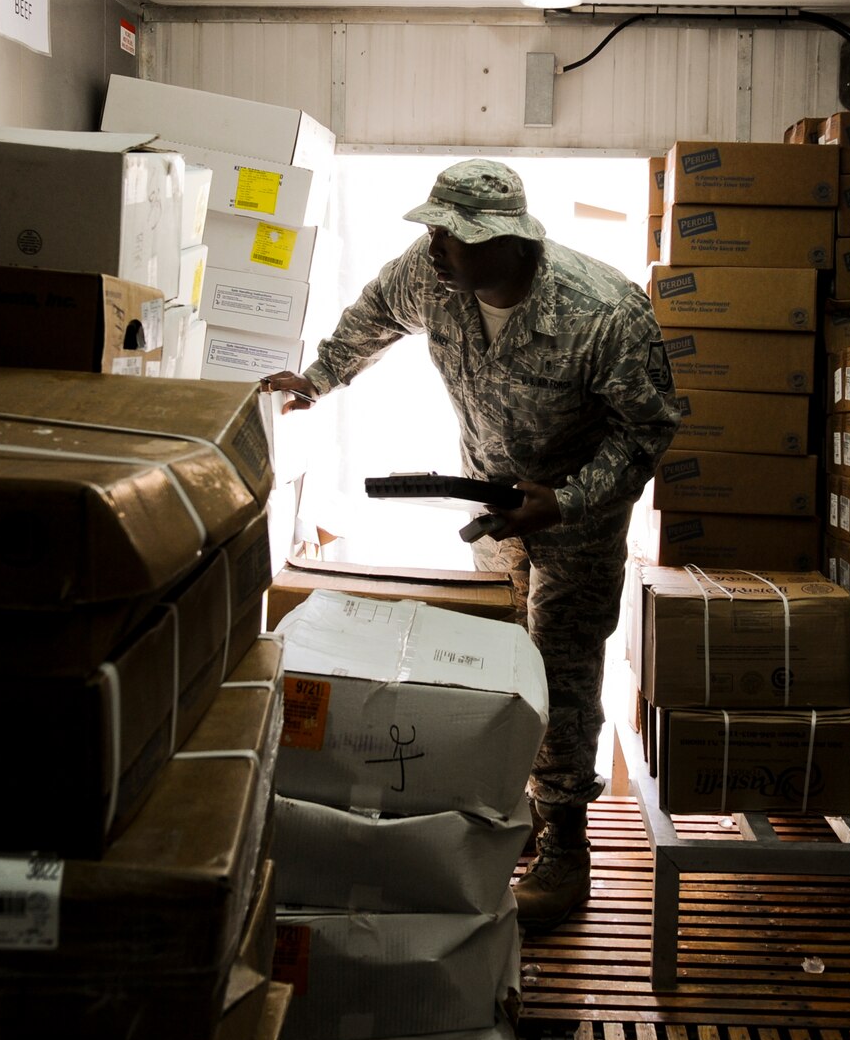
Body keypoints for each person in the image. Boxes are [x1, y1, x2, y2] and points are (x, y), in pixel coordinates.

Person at [261, 159, 681, 930]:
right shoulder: (432, 277)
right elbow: (376, 311)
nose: (434, 247)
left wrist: (568, 499)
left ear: (507, 243)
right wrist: (319, 378)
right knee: (502, 655)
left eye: (453, 236)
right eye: (433, 229)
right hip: (493, 503)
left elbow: (649, 430)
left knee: (562, 662)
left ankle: (566, 843)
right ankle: (513, 810)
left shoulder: (603, 310)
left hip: (572, 514)